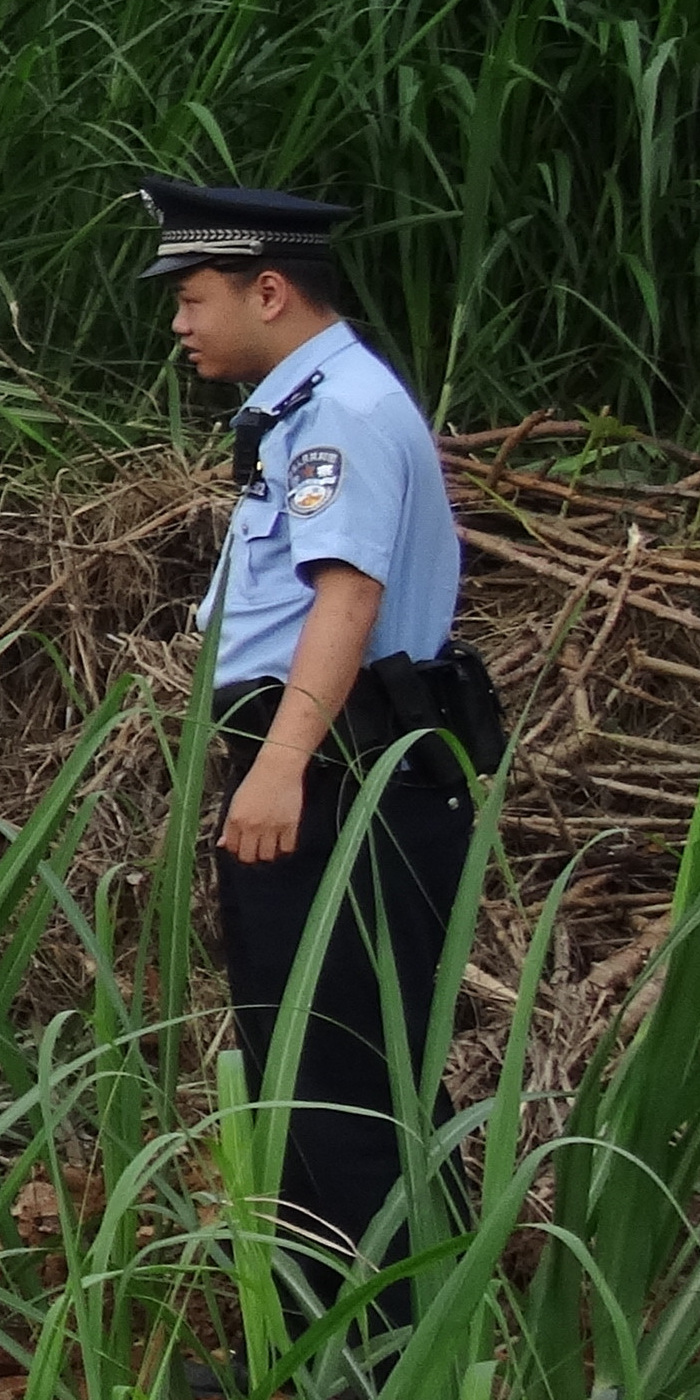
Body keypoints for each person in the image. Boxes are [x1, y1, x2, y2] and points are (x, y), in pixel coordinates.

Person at [144, 177, 487, 1330]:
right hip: (316, 773)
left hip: (346, 782)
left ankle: (381, 1366)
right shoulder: (305, 411)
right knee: (297, 1060)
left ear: (269, 292)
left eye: (193, 297)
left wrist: (283, 762)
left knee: (341, 1069)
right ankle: (315, 1334)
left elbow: (346, 597)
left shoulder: (341, 413)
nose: (180, 323)